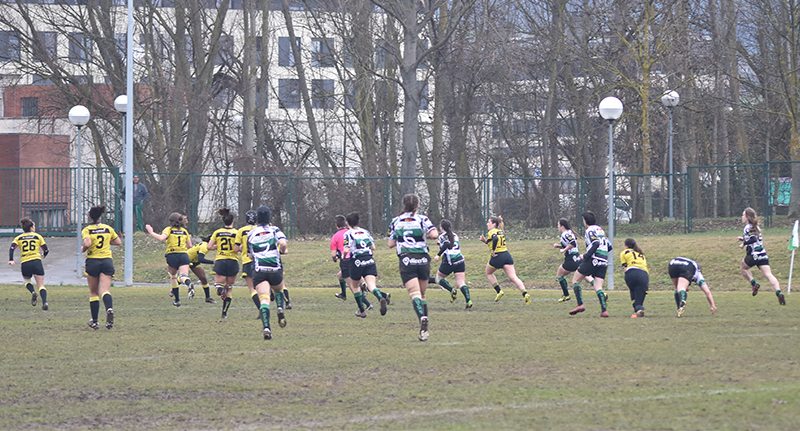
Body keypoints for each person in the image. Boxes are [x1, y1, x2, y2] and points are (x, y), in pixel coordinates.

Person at [388, 194, 439, 341]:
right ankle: (425, 330)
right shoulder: (422, 219)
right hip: (423, 259)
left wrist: (401, 237)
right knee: (422, 295)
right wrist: (425, 236)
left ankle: (422, 318)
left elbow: (391, 244)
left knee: (414, 294)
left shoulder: (396, 221)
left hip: (407, 259)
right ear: (417, 206)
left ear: (403, 205)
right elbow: (434, 234)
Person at [247, 206, 288, 340]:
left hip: (259, 271)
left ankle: (266, 328)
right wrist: (283, 250)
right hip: (274, 269)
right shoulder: (274, 229)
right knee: (279, 289)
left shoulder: (251, 233)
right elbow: (283, 243)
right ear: (269, 218)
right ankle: (280, 308)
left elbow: (250, 255)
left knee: (264, 299)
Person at [82, 205, 121, 329]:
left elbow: (87, 243)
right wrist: (106, 241)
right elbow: (118, 242)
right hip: (106, 261)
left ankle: (95, 321)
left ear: (90, 216)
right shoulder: (107, 228)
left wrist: (83, 248)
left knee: (94, 292)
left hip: (93, 261)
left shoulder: (87, 229)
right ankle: (109, 309)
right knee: (105, 290)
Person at [343, 212, 388, 317]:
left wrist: (344, 257)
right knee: (371, 286)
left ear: (347, 223)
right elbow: (373, 247)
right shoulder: (365, 232)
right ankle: (380, 297)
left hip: (357, 261)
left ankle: (362, 311)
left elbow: (346, 250)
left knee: (355, 287)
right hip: (369, 260)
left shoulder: (348, 233)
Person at [737, 207, 786, 305]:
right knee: (769, 275)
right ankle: (778, 292)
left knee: (743, 268)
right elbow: (753, 238)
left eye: (743, 215)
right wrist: (743, 240)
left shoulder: (747, 227)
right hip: (762, 254)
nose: (742, 217)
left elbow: (753, 239)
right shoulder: (756, 227)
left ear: (747, 217)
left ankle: (754, 284)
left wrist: (744, 243)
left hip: (753, 255)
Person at [478, 216, 530, 304]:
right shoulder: (500, 231)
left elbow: (495, 239)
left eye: (489, 222)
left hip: (498, 256)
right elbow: (493, 241)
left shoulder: (492, 231)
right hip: (506, 255)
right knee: (514, 277)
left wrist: (493, 251)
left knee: (488, 273)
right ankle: (525, 293)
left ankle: (499, 291)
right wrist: (485, 241)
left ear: (494, 224)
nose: (487, 224)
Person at [145, 213, 193, 307]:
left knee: (173, 276)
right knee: (183, 276)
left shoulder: (168, 229)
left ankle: (177, 300)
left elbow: (161, 238)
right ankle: (189, 283)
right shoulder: (184, 231)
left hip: (172, 255)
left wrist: (151, 232)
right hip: (183, 254)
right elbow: (190, 245)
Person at [569, 211, 611, 317]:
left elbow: (595, 243)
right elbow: (609, 246)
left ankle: (580, 305)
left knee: (575, 280)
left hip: (593, 259)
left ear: (585, 221)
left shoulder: (590, 230)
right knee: (598, 286)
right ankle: (604, 311)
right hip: (603, 260)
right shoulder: (600, 230)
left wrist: (586, 256)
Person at [330, 214, 373, 309]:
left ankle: (368, 305)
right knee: (340, 275)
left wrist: (335, 258)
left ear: (336, 225)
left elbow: (334, 254)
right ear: (346, 223)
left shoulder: (335, 237)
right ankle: (344, 293)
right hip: (356, 258)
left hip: (345, 261)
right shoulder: (351, 232)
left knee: (353, 287)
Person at [428, 219, 472, 309]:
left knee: (438, 278)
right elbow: (449, 245)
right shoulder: (455, 235)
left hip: (450, 261)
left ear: (441, 228)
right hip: (460, 260)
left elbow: (447, 244)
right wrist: (440, 244)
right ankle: (468, 301)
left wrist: (438, 255)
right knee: (461, 282)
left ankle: (452, 290)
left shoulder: (442, 236)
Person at [8, 218, 50, 310]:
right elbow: (46, 249)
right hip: (36, 261)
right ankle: (45, 302)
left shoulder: (18, 238)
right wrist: (44, 254)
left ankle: (32, 292)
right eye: (34, 226)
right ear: (31, 227)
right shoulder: (38, 236)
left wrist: (11, 259)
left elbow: (12, 248)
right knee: (41, 285)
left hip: (25, 262)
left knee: (27, 281)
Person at [208, 208, 239, 319]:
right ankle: (224, 313)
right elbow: (238, 248)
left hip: (221, 261)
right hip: (233, 262)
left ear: (223, 221)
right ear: (233, 221)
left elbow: (209, 246)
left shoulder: (217, 232)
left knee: (218, 285)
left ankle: (220, 291)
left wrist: (218, 246)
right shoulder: (237, 233)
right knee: (229, 288)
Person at [552, 218, 593, 303]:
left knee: (559, 274)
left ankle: (566, 295)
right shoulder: (570, 232)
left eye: (558, 225)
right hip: (577, 257)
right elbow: (570, 244)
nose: (557, 227)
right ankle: (600, 291)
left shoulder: (565, 234)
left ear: (562, 226)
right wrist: (559, 246)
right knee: (585, 275)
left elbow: (572, 244)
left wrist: (563, 250)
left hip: (570, 259)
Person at [235, 210, 260, 317]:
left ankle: (261, 309)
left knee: (252, 288)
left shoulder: (241, 231)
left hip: (247, 260)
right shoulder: (260, 229)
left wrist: (242, 248)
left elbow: (236, 248)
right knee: (261, 284)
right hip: (260, 260)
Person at [620, 238, 648, 318]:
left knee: (633, 291)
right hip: (643, 274)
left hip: (631, 272)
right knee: (640, 294)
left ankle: (637, 310)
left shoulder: (624, 252)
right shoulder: (641, 253)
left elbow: (624, 267)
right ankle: (638, 309)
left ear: (626, 246)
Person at [186, 235, 216, 303]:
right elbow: (201, 259)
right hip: (186, 259)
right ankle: (173, 289)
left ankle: (208, 298)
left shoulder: (206, 245)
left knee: (203, 278)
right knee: (184, 277)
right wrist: (213, 262)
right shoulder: (204, 246)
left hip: (194, 261)